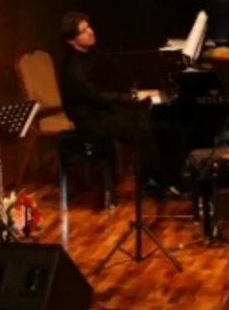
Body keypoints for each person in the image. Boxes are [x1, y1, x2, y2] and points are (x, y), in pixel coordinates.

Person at [58, 12, 160, 205]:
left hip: (101, 112)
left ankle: (154, 178)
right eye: (84, 31)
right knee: (145, 126)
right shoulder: (73, 68)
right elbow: (97, 97)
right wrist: (132, 97)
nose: (91, 32)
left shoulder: (91, 54)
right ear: (72, 41)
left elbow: (110, 83)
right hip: (90, 120)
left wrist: (132, 93)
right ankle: (148, 182)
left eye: (89, 27)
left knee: (148, 118)